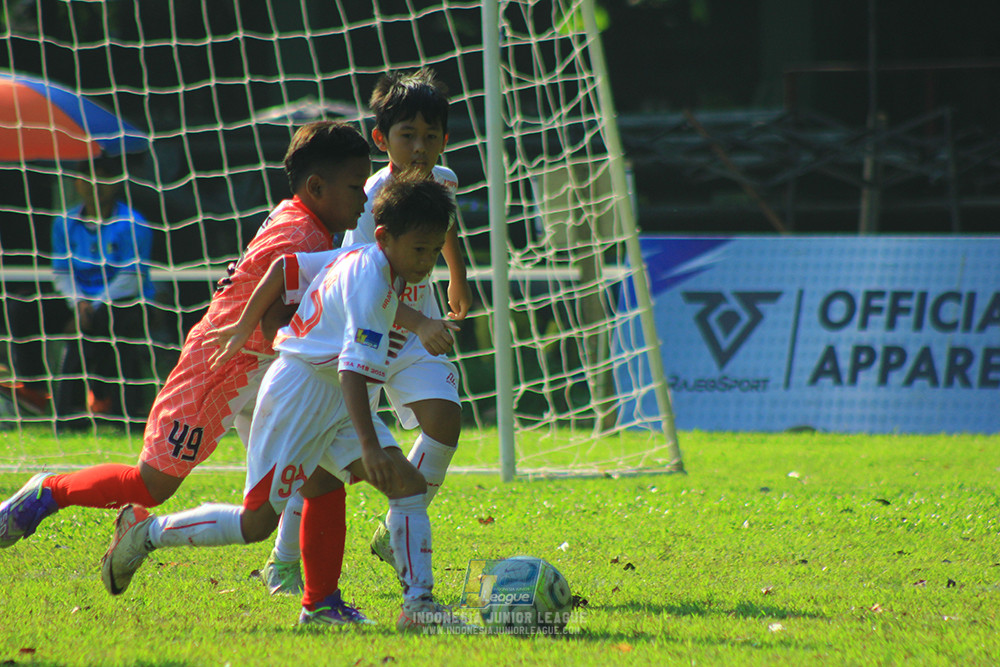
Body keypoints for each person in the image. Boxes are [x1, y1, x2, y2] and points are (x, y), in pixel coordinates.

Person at [0, 122, 368, 599]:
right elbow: (272, 325)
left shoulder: (302, 219)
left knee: (321, 477)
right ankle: (49, 491)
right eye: (356, 187)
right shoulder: (303, 235)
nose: (362, 199)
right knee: (151, 485)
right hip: (221, 370)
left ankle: (320, 601)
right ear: (316, 187)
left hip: (262, 371)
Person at [101, 176, 465, 632]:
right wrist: (370, 448)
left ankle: (412, 607)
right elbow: (353, 372)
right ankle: (144, 533)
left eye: (434, 251)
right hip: (300, 397)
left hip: (330, 396)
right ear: (384, 236)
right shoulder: (371, 283)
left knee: (407, 488)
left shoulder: (356, 255)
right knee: (256, 524)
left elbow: (286, 270)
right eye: (420, 250)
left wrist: (244, 326)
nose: (427, 263)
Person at [338, 67, 473, 571]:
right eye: (407, 135)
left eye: (430, 136)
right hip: (368, 337)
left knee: (444, 420)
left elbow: (445, 225)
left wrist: (457, 276)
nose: (419, 147)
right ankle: (283, 557)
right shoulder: (368, 201)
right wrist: (417, 322)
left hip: (419, 329)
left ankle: (396, 530)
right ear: (381, 139)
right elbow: (361, 286)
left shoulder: (444, 180)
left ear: (444, 140)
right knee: (327, 461)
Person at [2, 154, 155, 426]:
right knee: (21, 307)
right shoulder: (65, 221)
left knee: (100, 323)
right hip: (78, 300)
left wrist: (93, 305)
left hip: (121, 301)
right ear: (77, 183)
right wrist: (78, 303)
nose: (95, 184)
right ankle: (35, 388)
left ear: (116, 183)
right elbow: (61, 273)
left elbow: (131, 279)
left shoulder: (133, 222)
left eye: (103, 177)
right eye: (87, 177)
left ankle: (98, 400)